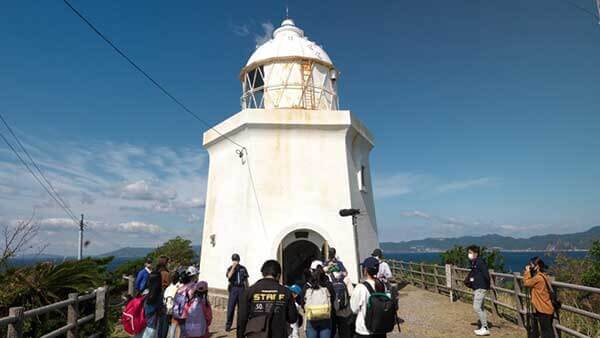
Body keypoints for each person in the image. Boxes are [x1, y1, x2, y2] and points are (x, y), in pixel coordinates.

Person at [237, 260, 298, 338]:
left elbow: (242, 319)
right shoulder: (286, 292)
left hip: (256, 334)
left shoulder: (249, 291)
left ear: (263, 273)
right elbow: (292, 318)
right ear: (278, 275)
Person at [350, 256, 387, 338]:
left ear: (365, 270)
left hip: (364, 330)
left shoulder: (360, 287)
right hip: (379, 329)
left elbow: (354, 309)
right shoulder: (382, 285)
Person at [300, 261, 335, 338]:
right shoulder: (328, 285)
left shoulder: (307, 286)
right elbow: (333, 299)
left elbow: (302, 303)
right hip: (326, 318)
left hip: (311, 318)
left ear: (311, 271)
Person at [523, 257, 556, 338]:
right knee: (547, 330)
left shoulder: (538, 278)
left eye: (531, 265)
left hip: (543, 309)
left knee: (546, 332)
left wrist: (527, 272)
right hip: (547, 307)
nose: (530, 266)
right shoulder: (543, 275)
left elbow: (526, 283)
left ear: (537, 266)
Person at [465, 245, 491, 336]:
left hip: (481, 288)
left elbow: (486, 275)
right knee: (481, 308)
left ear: (476, 253)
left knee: (476, 307)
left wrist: (486, 286)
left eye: (470, 253)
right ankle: (484, 327)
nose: (469, 254)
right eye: (468, 253)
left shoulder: (480, 262)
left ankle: (485, 327)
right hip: (478, 287)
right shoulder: (475, 262)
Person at [168, 266, 200, 338]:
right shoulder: (193, 286)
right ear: (193, 276)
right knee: (183, 331)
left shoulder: (181, 285)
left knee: (173, 326)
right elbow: (191, 298)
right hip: (184, 311)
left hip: (176, 308)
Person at [136, 268, 164, 338]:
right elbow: (161, 311)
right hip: (152, 325)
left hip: (141, 324)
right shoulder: (158, 295)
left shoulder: (144, 292)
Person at [226, 253, 249, 331]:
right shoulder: (230, 268)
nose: (236, 261)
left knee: (241, 308)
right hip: (233, 288)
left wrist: (247, 289)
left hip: (241, 288)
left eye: (237, 260)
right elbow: (229, 276)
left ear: (239, 260)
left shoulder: (243, 268)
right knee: (231, 307)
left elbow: (246, 280)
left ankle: (241, 324)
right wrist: (233, 268)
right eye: (234, 260)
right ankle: (228, 325)